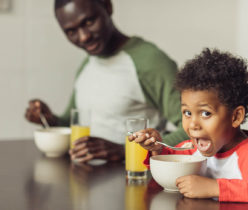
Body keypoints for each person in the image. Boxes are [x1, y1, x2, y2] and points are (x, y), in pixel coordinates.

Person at [25, 0, 188, 163]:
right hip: (86, 181)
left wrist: (124, 150)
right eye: (71, 31)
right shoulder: (88, 64)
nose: (84, 36)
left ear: (108, 7)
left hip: (134, 180)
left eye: (89, 22)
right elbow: (72, 122)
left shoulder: (150, 61)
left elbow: (193, 129)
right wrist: (48, 119)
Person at [129, 48, 248, 202]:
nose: (193, 124)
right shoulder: (194, 147)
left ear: (236, 116)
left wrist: (214, 187)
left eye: (205, 113)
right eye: (187, 113)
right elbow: (174, 157)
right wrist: (157, 149)